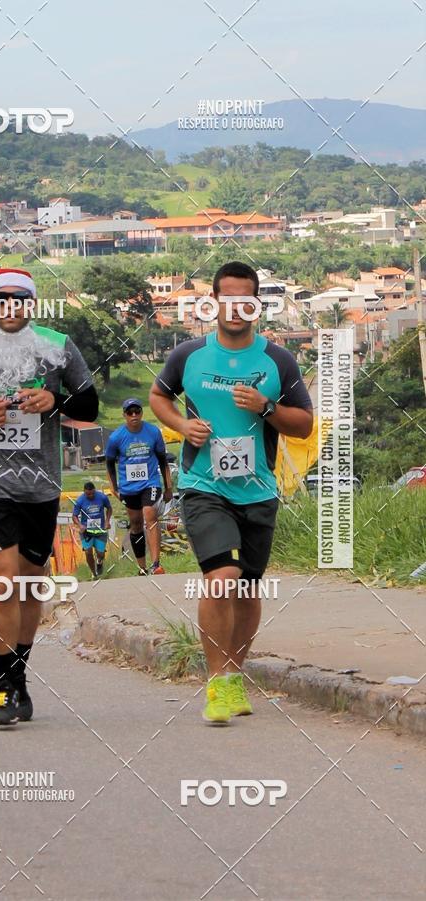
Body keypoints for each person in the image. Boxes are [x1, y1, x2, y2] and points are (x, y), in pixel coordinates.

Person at [150, 261, 313, 725]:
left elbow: (304, 425)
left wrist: (267, 407)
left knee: (245, 586)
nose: (236, 308)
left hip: (258, 489)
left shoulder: (277, 361)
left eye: (246, 300)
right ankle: (216, 682)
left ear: (256, 305)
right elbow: (159, 396)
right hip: (204, 486)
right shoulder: (189, 355)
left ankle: (235, 676)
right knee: (221, 577)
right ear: (214, 303)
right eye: (228, 298)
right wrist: (182, 425)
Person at [0, 267, 98, 726]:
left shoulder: (57, 346)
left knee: (33, 580)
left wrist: (54, 403)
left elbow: (90, 405)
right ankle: (2, 689)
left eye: (19, 299)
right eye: (0, 299)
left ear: (31, 305)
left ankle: (19, 678)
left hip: (42, 484)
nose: (9, 307)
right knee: (5, 577)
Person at [105, 398, 172, 576]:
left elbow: (163, 460)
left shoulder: (153, 432)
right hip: (129, 487)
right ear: (124, 415)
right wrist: (114, 487)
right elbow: (110, 463)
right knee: (135, 524)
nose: (134, 415)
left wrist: (168, 487)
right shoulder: (116, 437)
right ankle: (142, 567)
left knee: (150, 514)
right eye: (130, 412)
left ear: (142, 413)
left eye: (137, 411)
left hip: (150, 482)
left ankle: (156, 563)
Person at [72, 482, 112, 577]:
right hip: (86, 531)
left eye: (92, 493)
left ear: (95, 490)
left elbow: (109, 509)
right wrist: (80, 525)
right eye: (88, 494)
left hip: (100, 530)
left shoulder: (102, 497)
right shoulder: (80, 500)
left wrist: (107, 521)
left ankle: (99, 562)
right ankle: (94, 573)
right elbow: (74, 516)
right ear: (84, 492)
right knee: (88, 551)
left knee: (100, 553)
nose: (90, 496)